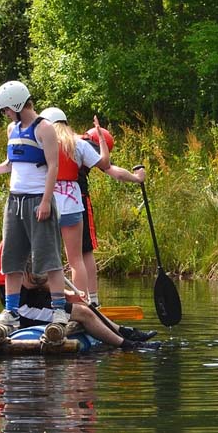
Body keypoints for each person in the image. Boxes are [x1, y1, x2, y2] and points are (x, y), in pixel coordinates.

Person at [0, 81, 68, 333]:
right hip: (15, 201)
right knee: (11, 257)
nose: (5, 114)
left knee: (49, 257)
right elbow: (12, 162)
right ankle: (11, 311)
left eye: (7, 109)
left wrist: (45, 201)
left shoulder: (44, 129)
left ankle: (59, 310)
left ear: (18, 104)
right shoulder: (12, 129)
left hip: (37, 201)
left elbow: (53, 166)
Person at [39, 107, 112, 300]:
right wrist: (102, 139)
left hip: (48, 206)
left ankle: (53, 301)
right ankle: (84, 303)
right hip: (73, 206)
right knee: (76, 259)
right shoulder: (79, 144)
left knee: (48, 259)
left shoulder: (41, 144)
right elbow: (105, 163)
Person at [77, 117, 145, 306]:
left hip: (52, 201)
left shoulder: (66, 141)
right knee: (86, 251)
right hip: (78, 201)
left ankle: (61, 299)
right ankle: (93, 300)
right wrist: (137, 178)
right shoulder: (89, 146)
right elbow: (115, 171)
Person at [14, 273, 160, 350]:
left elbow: (40, 280)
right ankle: (127, 345)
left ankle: (123, 331)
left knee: (83, 305)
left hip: (38, 300)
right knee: (84, 313)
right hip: (26, 308)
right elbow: (29, 281)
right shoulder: (16, 246)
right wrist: (51, 270)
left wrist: (67, 293)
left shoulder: (31, 241)